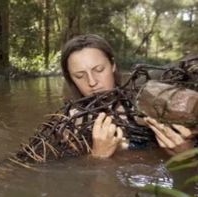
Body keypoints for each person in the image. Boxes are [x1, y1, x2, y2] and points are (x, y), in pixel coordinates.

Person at [60, 34, 195, 158]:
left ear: (113, 65)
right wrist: (98, 157)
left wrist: (187, 153)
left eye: (99, 70)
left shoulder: (152, 106)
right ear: (71, 79)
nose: (92, 82)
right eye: (79, 76)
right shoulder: (70, 124)